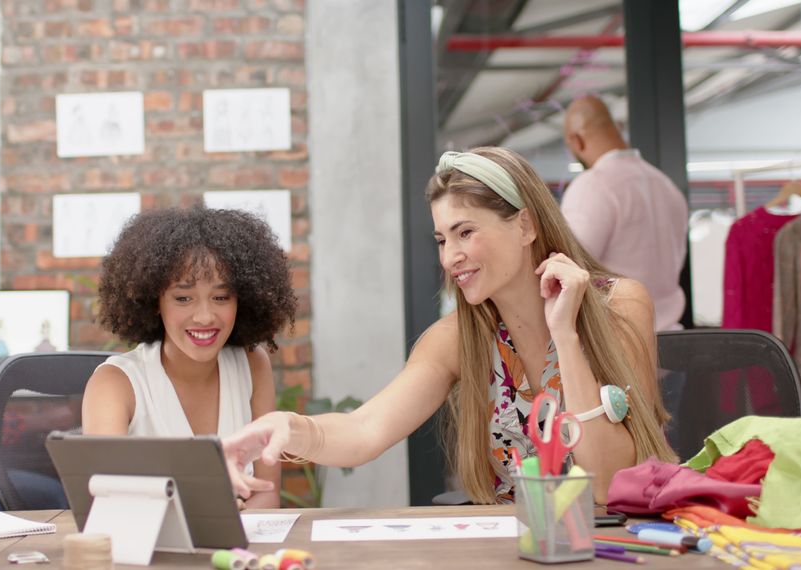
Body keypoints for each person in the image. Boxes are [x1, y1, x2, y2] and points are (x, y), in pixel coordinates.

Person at [223, 147, 676, 505]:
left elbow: (607, 482)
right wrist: (288, 427)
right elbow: (365, 431)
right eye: (442, 239)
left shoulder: (619, 305)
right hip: (511, 544)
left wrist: (565, 335)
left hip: (616, 543)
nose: (449, 257)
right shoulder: (459, 337)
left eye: (465, 233)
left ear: (524, 226)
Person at [82, 206, 297, 509]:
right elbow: (105, 503)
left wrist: (227, 535)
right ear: (155, 301)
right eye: (183, 298)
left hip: (237, 551)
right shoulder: (115, 384)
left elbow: (266, 493)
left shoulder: (252, 364)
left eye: (221, 297)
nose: (205, 316)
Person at [561, 95, 688, 331]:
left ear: (576, 140)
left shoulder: (592, 185)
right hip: (673, 345)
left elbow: (569, 271)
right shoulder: (665, 185)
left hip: (621, 346)